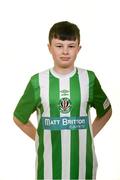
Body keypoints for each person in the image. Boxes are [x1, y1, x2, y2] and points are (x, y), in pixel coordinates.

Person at [13, 21, 112, 180]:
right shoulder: (37, 81)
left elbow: (106, 111)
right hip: (48, 170)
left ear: (79, 48)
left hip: (83, 169)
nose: (65, 51)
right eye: (59, 46)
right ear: (49, 48)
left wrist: (89, 133)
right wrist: (40, 137)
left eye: (71, 46)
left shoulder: (89, 79)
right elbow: (19, 117)